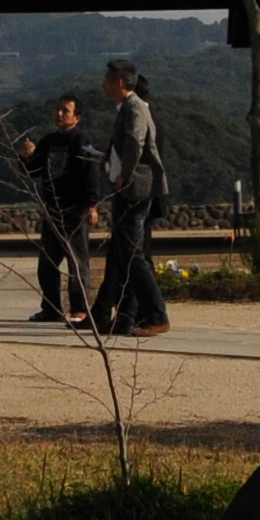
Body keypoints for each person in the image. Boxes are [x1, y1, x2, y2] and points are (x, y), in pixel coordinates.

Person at [90, 59, 170, 336]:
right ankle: (136, 314)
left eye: (107, 80)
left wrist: (124, 174)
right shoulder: (127, 107)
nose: (104, 85)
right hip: (129, 186)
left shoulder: (134, 107)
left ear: (120, 82)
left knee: (133, 252)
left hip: (136, 188)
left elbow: (136, 142)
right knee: (128, 252)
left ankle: (156, 315)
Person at [19, 93, 102, 324]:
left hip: (75, 209)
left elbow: (91, 174)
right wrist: (25, 157)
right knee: (47, 262)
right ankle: (51, 308)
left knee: (77, 262)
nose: (59, 114)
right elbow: (33, 171)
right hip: (52, 209)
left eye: (65, 110)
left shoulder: (82, 141)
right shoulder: (48, 141)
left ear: (77, 117)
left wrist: (92, 205)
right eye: (58, 109)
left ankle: (79, 310)